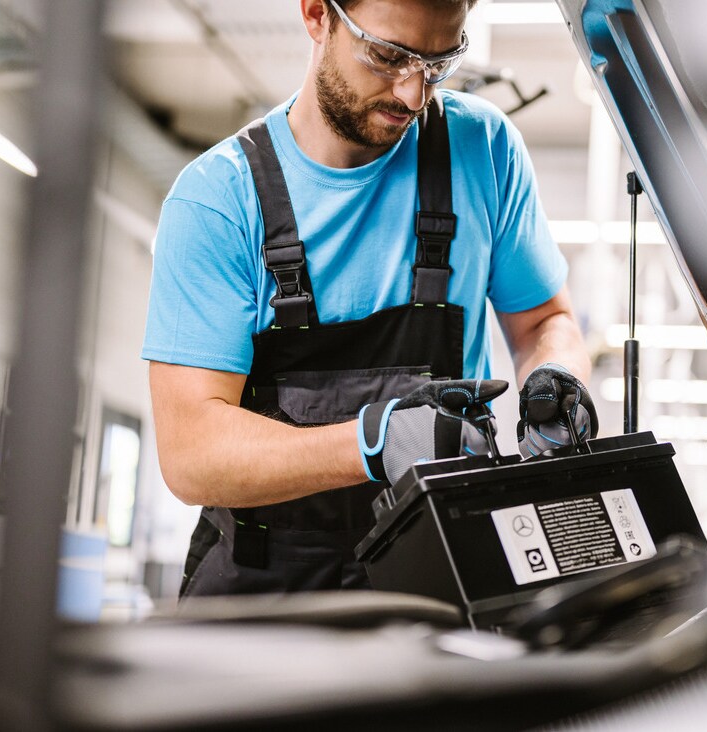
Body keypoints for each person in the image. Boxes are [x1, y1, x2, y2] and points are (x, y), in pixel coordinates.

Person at [142, 0, 598, 598]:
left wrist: (557, 373)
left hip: (445, 574)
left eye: (439, 63)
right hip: (263, 597)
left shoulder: (483, 149)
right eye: (388, 56)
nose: (412, 95)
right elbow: (192, 454)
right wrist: (373, 442)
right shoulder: (217, 201)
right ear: (314, 14)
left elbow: (546, 319)